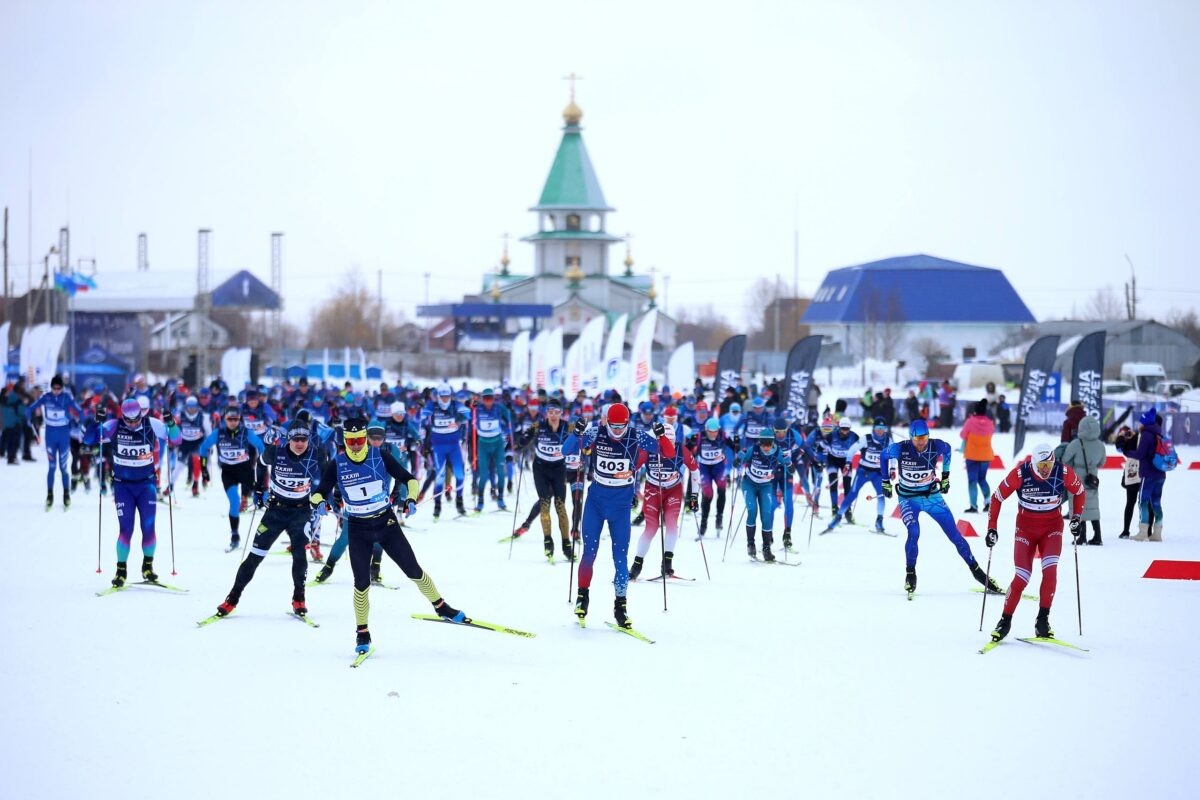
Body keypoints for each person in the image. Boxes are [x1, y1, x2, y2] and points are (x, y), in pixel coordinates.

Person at [309, 416, 462, 657]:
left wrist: (410, 499)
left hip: (386, 523)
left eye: (361, 440)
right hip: (358, 528)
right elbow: (318, 492)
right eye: (352, 441)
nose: (358, 445)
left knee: (414, 570)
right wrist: (318, 503)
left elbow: (410, 479)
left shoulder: (379, 455)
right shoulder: (337, 463)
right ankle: (362, 633)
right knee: (361, 584)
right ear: (346, 441)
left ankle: (442, 607)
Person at [562, 403, 673, 629]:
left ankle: (620, 607)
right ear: (606, 421)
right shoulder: (596, 432)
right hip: (596, 502)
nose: (617, 432)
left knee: (620, 558)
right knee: (589, 553)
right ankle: (583, 597)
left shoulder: (637, 436)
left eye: (621, 427)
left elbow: (668, 453)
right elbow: (566, 450)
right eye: (613, 426)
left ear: (627, 423)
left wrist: (662, 437)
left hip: (621, 507)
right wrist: (577, 433)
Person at [213, 419, 327, 619]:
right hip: (275, 512)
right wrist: (258, 489)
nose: (300, 443)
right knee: (254, 557)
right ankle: (232, 598)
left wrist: (324, 496)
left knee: (300, 555)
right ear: (288, 439)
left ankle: (299, 598)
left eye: (304, 439)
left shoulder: (317, 453)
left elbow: (327, 477)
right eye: (295, 439)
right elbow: (260, 464)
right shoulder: (276, 452)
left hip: (301, 513)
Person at [881, 418, 1004, 598]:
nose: (921, 442)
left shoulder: (936, 445)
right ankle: (910, 573)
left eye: (924, 438)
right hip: (908, 499)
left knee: (954, 535)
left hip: (932, 497)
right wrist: (885, 481)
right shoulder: (901, 448)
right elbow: (884, 456)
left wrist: (945, 477)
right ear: (911, 438)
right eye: (917, 439)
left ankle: (977, 572)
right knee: (914, 532)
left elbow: (948, 452)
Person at [985, 442, 1086, 642]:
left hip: (1052, 528)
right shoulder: (1021, 474)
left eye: (1049, 464)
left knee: (1050, 572)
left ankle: (1042, 621)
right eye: (1041, 467)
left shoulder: (1063, 471)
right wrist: (992, 528)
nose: (1046, 470)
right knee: (1022, 576)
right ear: (1033, 464)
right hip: (1025, 529)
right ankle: (1005, 621)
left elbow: (1080, 492)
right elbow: (996, 498)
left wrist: (1076, 518)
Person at [85, 398, 182, 587]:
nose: (132, 423)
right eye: (128, 420)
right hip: (123, 487)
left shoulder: (152, 424)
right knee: (126, 530)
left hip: (146, 486)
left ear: (141, 414)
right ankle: (121, 571)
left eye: (135, 419)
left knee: (148, 529)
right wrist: (96, 421)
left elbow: (177, 439)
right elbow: (88, 440)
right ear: (122, 416)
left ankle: (148, 567)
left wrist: (171, 423)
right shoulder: (114, 425)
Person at [630, 407, 700, 579]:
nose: (664, 446)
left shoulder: (681, 450)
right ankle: (636, 565)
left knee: (671, 524)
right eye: (662, 443)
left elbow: (695, 471)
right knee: (651, 528)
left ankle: (667, 563)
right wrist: (632, 491)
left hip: (673, 490)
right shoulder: (649, 449)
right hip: (653, 490)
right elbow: (633, 469)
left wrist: (694, 496)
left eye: (668, 442)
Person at [512, 397, 573, 561]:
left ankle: (566, 544)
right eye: (550, 412)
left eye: (556, 412)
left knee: (560, 506)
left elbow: (583, 441)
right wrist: (522, 441)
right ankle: (548, 542)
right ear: (546, 413)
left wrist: (586, 449)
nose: (553, 416)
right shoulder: (538, 425)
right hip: (541, 469)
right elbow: (523, 438)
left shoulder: (568, 427)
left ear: (562, 413)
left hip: (559, 469)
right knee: (544, 504)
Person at [199, 405, 266, 550]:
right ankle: (235, 535)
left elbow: (261, 447)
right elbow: (204, 448)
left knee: (264, 498)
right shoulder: (218, 433)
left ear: (240, 419)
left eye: (236, 419)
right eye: (230, 419)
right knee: (234, 502)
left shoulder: (246, 433)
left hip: (246, 471)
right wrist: (204, 468)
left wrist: (262, 463)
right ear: (225, 419)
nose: (233, 422)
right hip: (228, 473)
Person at [822, 417, 891, 534]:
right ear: (873, 428)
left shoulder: (888, 440)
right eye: (878, 428)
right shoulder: (866, 439)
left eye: (882, 428)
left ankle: (879, 521)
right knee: (851, 495)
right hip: (863, 471)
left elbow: (893, 455)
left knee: (881, 496)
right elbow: (852, 450)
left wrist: (893, 468)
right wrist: (848, 463)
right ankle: (838, 518)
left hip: (878, 473)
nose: (880, 431)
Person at [734, 428, 791, 561]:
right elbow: (736, 464)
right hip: (749, 484)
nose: (766, 447)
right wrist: (738, 459)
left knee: (766, 514)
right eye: (763, 444)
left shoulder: (777, 452)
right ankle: (750, 544)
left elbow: (790, 468)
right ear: (760, 443)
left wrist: (788, 463)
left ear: (772, 443)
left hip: (766, 486)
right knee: (752, 510)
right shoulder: (752, 450)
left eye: (768, 445)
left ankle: (766, 548)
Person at [26, 375, 83, 510]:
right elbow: (30, 409)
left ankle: (66, 494)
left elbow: (80, 412)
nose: (56, 390)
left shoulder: (67, 397)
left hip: (63, 437)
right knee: (52, 467)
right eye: (54, 388)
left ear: (62, 388)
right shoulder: (46, 397)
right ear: (51, 387)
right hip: (50, 437)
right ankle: (50, 495)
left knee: (63, 468)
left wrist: (79, 424)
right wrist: (29, 419)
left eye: (59, 388)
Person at [420, 383, 471, 519]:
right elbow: (423, 414)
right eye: (442, 396)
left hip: (454, 445)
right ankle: (437, 505)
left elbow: (468, 413)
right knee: (440, 476)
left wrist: (459, 421)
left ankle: (459, 502)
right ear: (438, 396)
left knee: (460, 475)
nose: (444, 399)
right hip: (438, 446)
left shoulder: (455, 405)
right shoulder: (433, 405)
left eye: (447, 396)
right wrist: (426, 416)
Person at [1062, 414, 1105, 545]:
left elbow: (1065, 460)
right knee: (1093, 507)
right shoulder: (1100, 445)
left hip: (1077, 478)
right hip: (1092, 478)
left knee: (1079, 506)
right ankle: (1098, 536)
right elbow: (1102, 462)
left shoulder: (1076, 443)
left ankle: (1082, 536)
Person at [472, 388, 510, 512]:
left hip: (497, 444)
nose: (488, 401)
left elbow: (509, 418)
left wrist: (509, 417)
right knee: (483, 475)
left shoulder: (499, 408)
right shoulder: (478, 409)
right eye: (485, 398)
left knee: (501, 473)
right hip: (483, 444)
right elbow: (466, 415)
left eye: (490, 398)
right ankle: (480, 502)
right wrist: (470, 406)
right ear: (482, 399)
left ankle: (500, 499)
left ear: (494, 399)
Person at [1132, 408, 1165, 541]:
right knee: (1156, 502)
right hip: (1160, 473)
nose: (1139, 424)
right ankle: (1157, 533)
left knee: (1143, 502)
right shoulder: (1159, 433)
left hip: (1148, 473)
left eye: (1141, 422)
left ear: (1145, 423)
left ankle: (1143, 532)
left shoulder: (1146, 435)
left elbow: (1140, 454)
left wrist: (1127, 452)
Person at [959, 399, 996, 514]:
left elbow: (962, 435)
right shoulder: (990, 423)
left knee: (972, 481)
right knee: (982, 479)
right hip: (986, 456)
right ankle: (988, 502)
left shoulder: (970, 421)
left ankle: (973, 506)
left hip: (972, 455)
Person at [695, 417, 730, 537]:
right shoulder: (700, 436)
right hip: (704, 467)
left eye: (715, 431)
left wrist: (736, 443)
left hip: (718, 466)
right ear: (706, 429)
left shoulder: (722, 435)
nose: (713, 433)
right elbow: (691, 449)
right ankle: (703, 523)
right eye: (710, 431)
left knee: (722, 487)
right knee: (708, 493)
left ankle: (719, 518)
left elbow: (733, 445)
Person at [1113, 425, 1141, 539]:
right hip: (1146, 472)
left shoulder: (1129, 444)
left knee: (1130, 503)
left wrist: (1121, 437)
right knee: (1146, 503)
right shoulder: (1144, 438)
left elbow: (1120, 448)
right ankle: (1148, 530)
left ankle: (1126, 530)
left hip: (1132, 474)